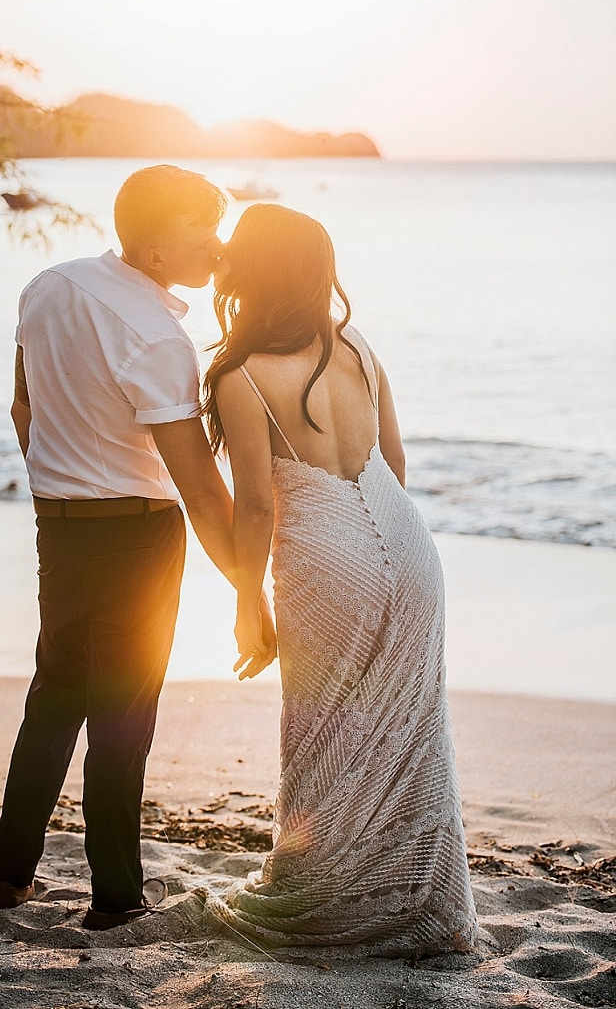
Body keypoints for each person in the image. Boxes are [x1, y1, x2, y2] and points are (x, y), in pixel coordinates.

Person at [0, 165, 276, 931]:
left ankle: (8, 880)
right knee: (122, 719)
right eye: (200, 230)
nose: (217, 247)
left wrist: (58, 485)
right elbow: (204, 491)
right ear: (152, 250)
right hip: (137, 534)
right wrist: (249, 590)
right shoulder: (157, 336)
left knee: (53, 702)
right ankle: (115, 899)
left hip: (60, 524)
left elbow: (23, 406)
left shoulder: (49, 285)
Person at [200, 203, 478, 956]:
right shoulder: (356, 346)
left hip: (327, 558)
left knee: (324, 734)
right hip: (409, 544)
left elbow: (256, 505)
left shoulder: (239, 373)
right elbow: (394, 456)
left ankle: (325, 905)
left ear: (251, 273)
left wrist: (243, 602)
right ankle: (428, 913)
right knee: (414, 732)